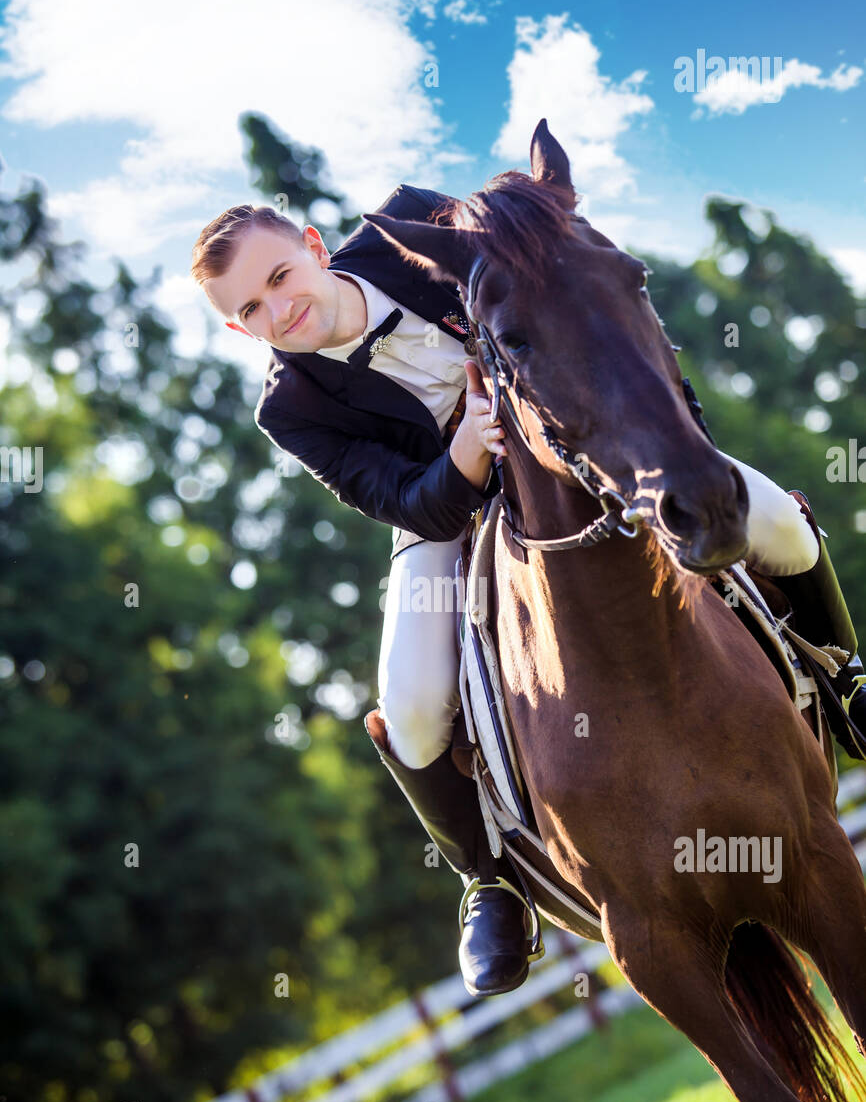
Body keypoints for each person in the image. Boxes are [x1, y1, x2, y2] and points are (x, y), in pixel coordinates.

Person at [190, 183, 866, 997]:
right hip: (451, 518)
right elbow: (401, 500)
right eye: (252, 309)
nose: (278, 308)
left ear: (312, 243)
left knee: (783, 527)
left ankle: (840, 674)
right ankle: (491, 881)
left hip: (584, 442)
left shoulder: (412, 224)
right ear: (238, 329)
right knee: (408, 701)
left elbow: (550, 271)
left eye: (278, 275)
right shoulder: (289, 408)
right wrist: (470, 451)